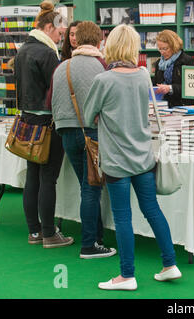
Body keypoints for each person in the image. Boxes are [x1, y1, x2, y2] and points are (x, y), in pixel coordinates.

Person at [83, 24, 182, 291]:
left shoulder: (103, 80)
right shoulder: (142, 76)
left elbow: (87, 114)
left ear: (111, 45)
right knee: (152, 210)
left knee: (122, 217)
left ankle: (127, 275)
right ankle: (169, 264)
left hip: (116, 160)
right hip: (143, 157)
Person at [51, 21, 115, 259]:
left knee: (86, 186)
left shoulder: (62, 67)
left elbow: (53, 103)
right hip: (91, 131)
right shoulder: (101, 66)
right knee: (92, 189)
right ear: (99, 41)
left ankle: (96, 237)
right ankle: (89, 244)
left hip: (67, 132)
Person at [14, 1, 73, 248]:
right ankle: (49, 233)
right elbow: (57, 90)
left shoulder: (23, 50)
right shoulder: (47, 53)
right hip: (48, 122)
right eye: (60, 34)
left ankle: (35, 232)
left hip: (27, 120)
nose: (61, 39)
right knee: (49, 179)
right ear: (50, 27)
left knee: (33, 178)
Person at [153, 29, 194, 107]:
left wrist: (170, 88)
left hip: (183, 106)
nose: (162, 52)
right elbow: (156, 84)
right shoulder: (159, 63)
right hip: (163, 106)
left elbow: (192, 87)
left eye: (165, 49)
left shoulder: (187, 61)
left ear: (174, 46)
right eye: (160, 49)